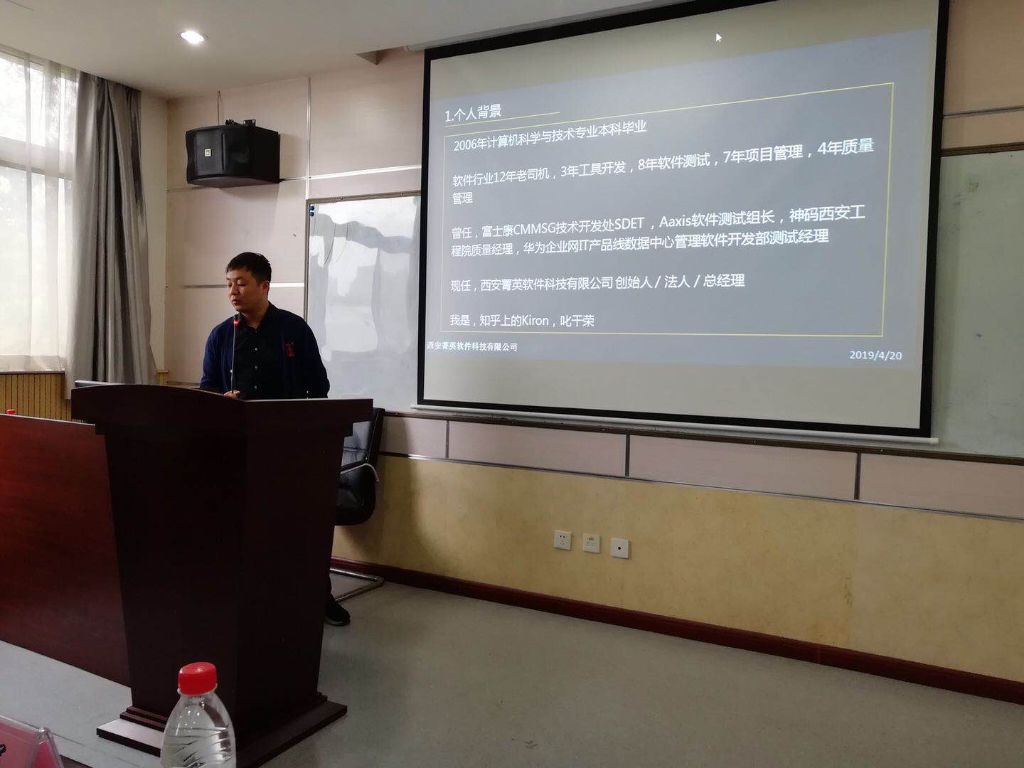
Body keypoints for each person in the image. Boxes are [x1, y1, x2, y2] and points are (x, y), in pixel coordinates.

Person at [199, 251, 351, 627]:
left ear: (264, 286)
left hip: (288, 448)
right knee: (245, 529)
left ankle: (318, 597)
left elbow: (319, 386)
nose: (233, 291)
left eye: (241, 283)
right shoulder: (221, 335)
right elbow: (207, 390)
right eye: (228, 284)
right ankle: (252, 601)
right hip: (239, 449)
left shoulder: (293, 329)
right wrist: (221, 400)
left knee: (301, 527)